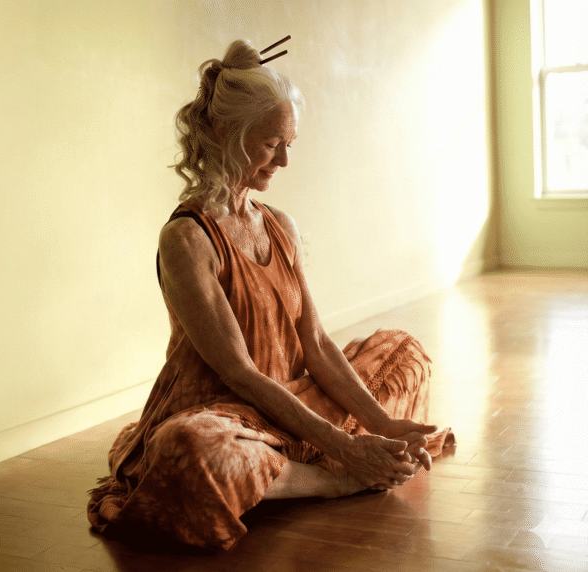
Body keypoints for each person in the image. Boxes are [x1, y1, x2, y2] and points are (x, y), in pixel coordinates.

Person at [87, 39, 454, 551]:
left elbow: (319, 347)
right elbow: (239, 374)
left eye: (290, 143)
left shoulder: (280, 225)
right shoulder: (187, 239)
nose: (283, 160)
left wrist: (382, 422)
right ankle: (329, 481)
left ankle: (293, 470)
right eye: (270, 144)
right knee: (191, 450)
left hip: (290, 396)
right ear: (223, 132)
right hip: (226, 412)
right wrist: (347, 452)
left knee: (403, 352)